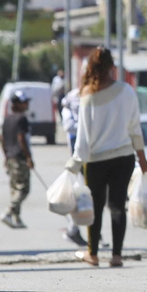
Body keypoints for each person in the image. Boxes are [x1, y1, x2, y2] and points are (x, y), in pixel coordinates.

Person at [67, 46, 147, 267]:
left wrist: (74, 163)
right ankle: (116, 255)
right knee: (117, 205)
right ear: (112, 66)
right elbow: (135, 128)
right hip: (124, 158)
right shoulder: (127, 91)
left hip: (95, 161)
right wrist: (142, 158)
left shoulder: (87, 96)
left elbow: (82, 137)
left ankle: (92, 254)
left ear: (91, 67)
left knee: (94, 206)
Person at [0, 90, 34, 229]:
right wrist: (28, 157)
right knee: (23, 189)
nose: (27, 105)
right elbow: (21, 139)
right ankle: (9, 211)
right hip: (20, 157)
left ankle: (17, 218)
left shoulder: (7, 118)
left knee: (15, 189)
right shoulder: (21, 119)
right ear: (17, 104)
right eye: (24, 103)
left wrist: (6, 156)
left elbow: (2, 139)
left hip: (10, 157)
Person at [59, 90, 86, 246]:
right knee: (83, 194)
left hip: (94, 152)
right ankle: (73, 229)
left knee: (92, 196)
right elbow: (70, 127)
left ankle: (85, 230)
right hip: (79, 158)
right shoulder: (68, 113)